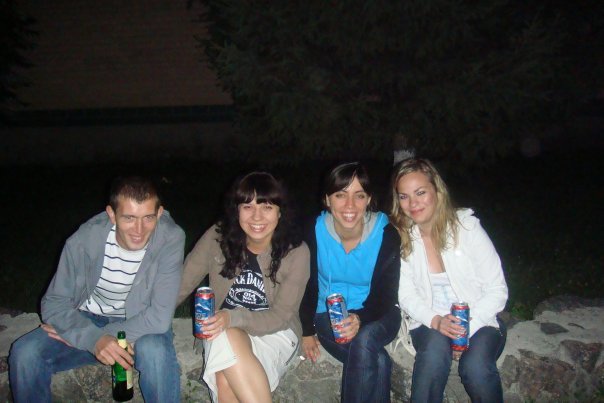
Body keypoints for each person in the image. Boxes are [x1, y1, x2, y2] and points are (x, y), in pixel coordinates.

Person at [9, 176, 185, 403]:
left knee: (156, 352)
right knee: (25, 353)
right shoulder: (84, 240)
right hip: (88, 316)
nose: (139, 230)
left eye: (148, 218)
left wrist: (96, 337)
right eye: (129, 218)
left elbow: (159, 318)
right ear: (112, 214)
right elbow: (54, 302)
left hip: (140, 321)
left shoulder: (170, 238)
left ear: (159, 213)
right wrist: (91, 336)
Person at [177, 172, 310, 403]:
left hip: (274, 332)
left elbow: (280, 317)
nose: (257, 216)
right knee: (225, 349)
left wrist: (232, 318)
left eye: (267, 207)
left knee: (225, 371)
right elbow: (182, 283)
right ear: (236, 210)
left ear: (280, 212)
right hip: (221, 328)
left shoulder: (295, 251)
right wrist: (145, 324)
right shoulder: (217, 238)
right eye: (247, 207)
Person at [390, 158, 508, 402]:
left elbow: (497, 289)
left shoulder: (467, 228)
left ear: (437, 190)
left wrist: (465, 329)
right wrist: (436, 321)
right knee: (433, 356)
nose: (413, 203)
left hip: (479, 320)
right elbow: (406, 294)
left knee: (476, 368)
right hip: (428, 320)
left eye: (420, 192)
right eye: (404, 196)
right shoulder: (401, 237)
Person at [299, 162, 402, 403]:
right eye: (340, 195)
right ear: (327, 199)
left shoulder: (386, 234)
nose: (349, 205)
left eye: (359, 195)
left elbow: (387, 293)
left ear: (368, 200)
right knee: (378, 360)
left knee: (365, 339)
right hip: (328, 314)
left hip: (379, 313)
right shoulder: (313, 230)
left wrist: (360, 318)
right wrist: (306, 330)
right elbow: (306, 283)